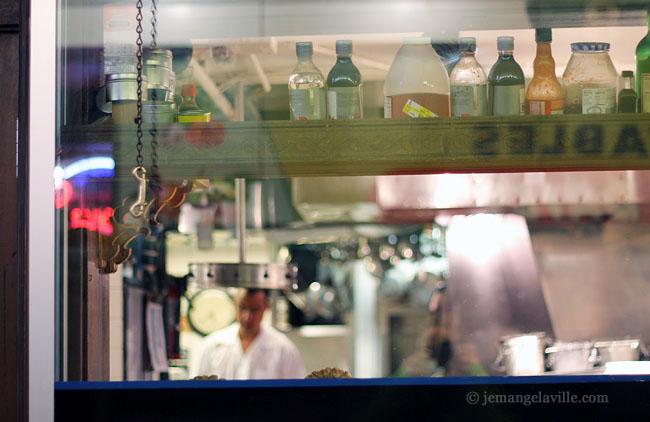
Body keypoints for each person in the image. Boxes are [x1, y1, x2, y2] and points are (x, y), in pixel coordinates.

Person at [190, 288, 305, 380]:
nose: (247, 317)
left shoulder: (284, 350)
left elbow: (297, 395)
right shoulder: (211, 346)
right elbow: (194, 390)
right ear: (235, 303)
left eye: (254, 309)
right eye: (242, 307)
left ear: (266, 307)